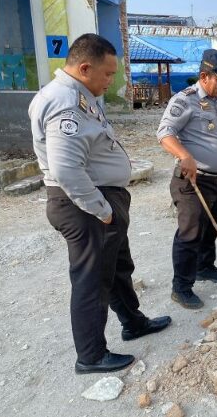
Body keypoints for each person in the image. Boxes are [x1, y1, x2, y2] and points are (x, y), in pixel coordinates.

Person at [29, 33, 171, 374]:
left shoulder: (79, 94)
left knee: (117, 267)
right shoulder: (65, 101)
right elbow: (65, 168)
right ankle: (91, 356)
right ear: (84, 67)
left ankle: (132, 322)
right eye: (107, 74)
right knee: (92, 280)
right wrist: (101, 208)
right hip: (85, 205)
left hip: (99, 199)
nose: (111, 81)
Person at [157, 49, 217, 309]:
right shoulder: (185, 100)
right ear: (204, 76)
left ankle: (205, 267)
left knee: (212, 227)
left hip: (216, 179)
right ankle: (181, 287)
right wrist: (184, 156)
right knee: (190, 233)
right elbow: (165, 133)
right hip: (192, 180)